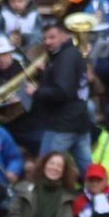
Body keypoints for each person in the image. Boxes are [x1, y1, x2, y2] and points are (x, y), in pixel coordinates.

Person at [28, 20, 92, 177]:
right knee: (89, 173)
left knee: (43, 171)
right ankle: (101, 198)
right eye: (45, 38)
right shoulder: (68, 55)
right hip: (79, 122)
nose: (47, 42)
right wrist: (45, 74)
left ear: (65, 35)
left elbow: (62, 92)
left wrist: (37, 92)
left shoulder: (66, 57)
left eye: (52, 37)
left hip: (62, 125)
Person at [8, 150, 76, 217]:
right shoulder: (24, 188)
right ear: (44, 165)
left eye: (59, 166)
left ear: (64, 172)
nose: (54, 168)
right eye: (51, 163)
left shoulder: (68, 195)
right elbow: (13, 215)